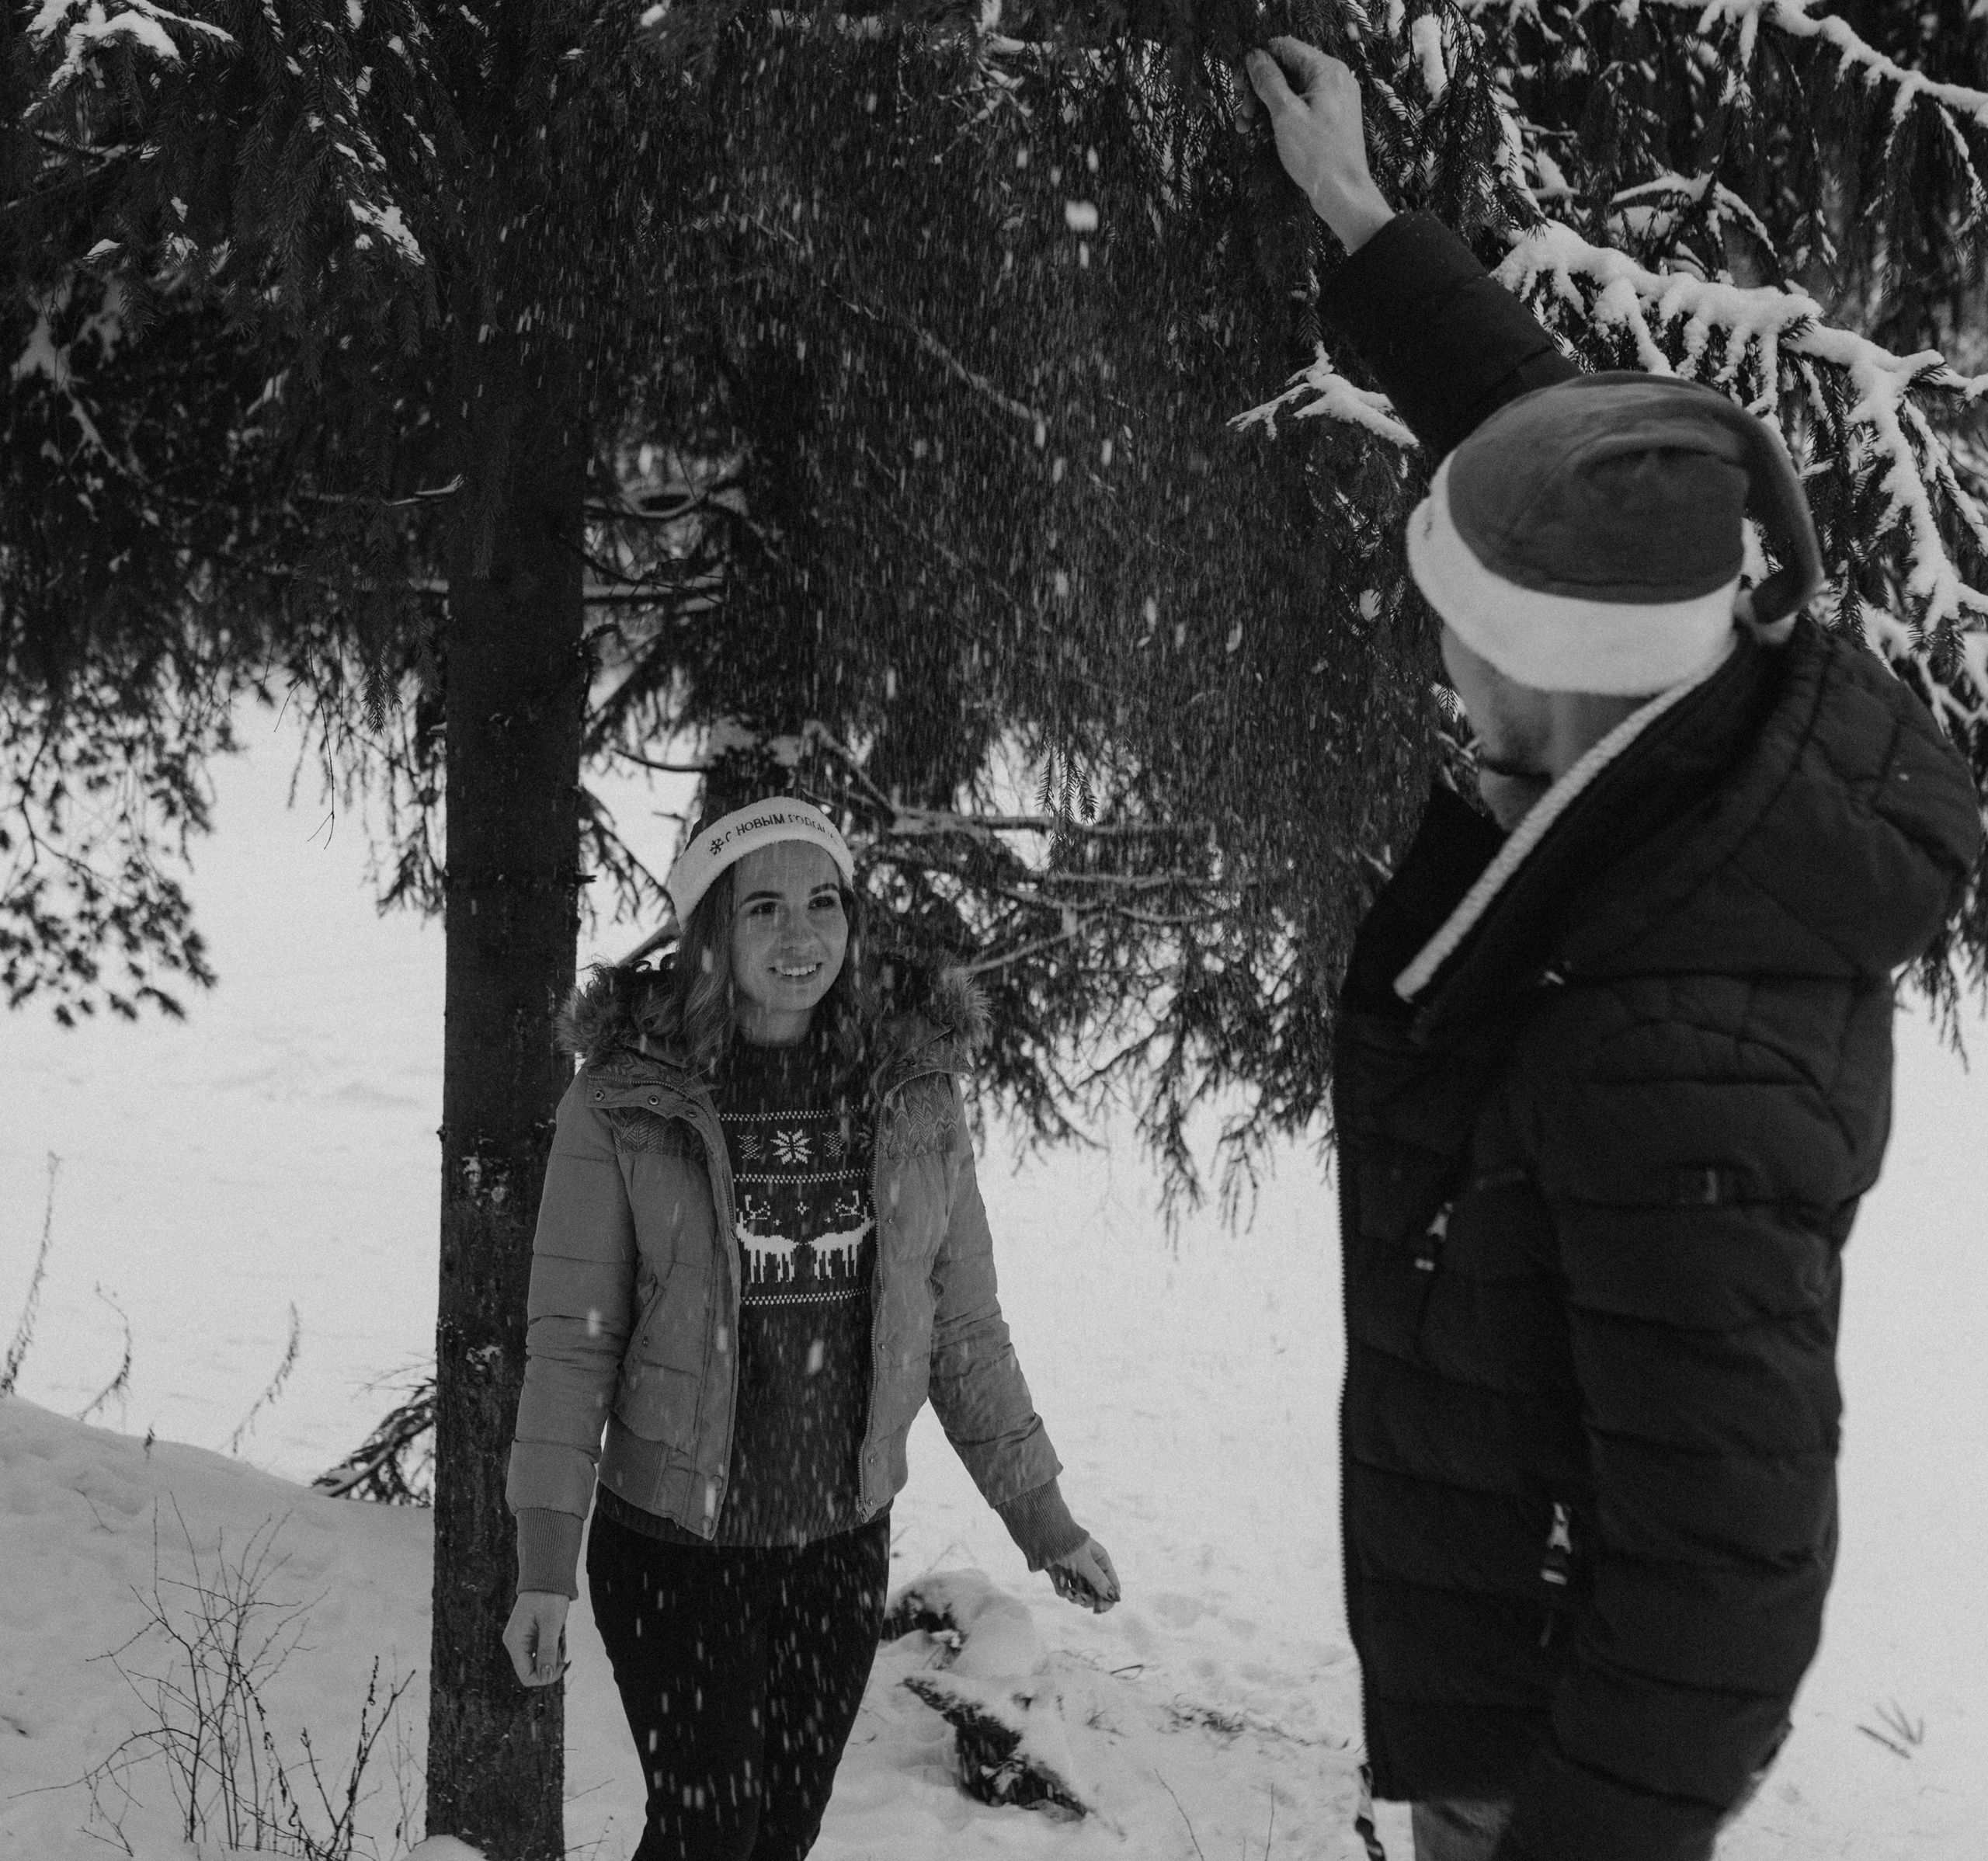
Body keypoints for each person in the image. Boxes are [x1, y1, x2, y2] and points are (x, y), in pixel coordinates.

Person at [1242, 39, 1983, 1861]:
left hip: (1550, 1764)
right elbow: (1562, 444)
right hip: (1512, 1671)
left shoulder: (1675, 1059)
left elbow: (1726, 1578)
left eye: (1454, 633)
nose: (1434, 659)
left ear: (1548, 675)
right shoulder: (1681, 701)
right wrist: (1357, 212)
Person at [500, 796, 1120, 1861]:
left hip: (836, 1548)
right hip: (676, 1553)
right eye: (764, 909)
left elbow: (964, 1330)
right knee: (710, 1837)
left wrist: (1043, 1517)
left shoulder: (913, 1091)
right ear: (711, 931)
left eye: (824, 902)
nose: (801, 938)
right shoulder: (624, 1104)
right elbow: (573, 1342)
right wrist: (545, 1563)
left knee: (777, 1837)